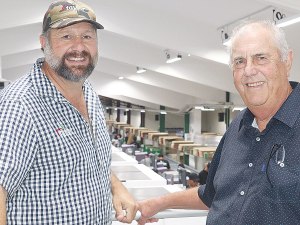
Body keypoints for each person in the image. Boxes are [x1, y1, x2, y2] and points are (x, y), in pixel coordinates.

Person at [137, 20, 299, 225]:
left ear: (287, 62)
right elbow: (213, 194)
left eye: (261, 58)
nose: (249, 70)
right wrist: (159, 203)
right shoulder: (238, 126)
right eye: (239, 61)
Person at [0, 0, 138, 224]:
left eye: (87, 36)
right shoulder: (20, 106)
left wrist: (116, 187)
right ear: (43, 43)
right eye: (66, 36)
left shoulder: (88, 90)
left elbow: (86, 158)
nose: (79, 47)